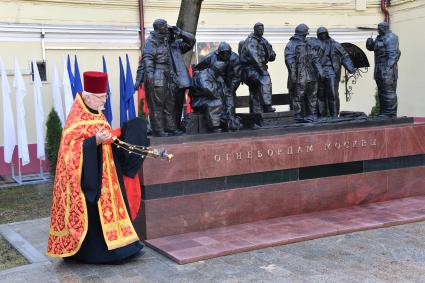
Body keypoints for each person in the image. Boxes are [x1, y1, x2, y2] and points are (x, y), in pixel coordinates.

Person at [47, 71, 147, 264]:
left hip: (108, 176)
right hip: (89, 182)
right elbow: (70, 153)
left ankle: (124, 247)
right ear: (87, 96)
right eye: (100, 98)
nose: (104, 101)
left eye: (105, 97)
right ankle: (94, 253)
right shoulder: (76, 120)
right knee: (94, 217)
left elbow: (106, 139)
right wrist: (94, 141)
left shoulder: (98, 115)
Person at [135, 18, 195, 136]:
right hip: (157, 75)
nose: (167, 28)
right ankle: (158, 130)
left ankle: (171, 128)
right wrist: (150, 79)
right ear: (159, 28)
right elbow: (148, 61)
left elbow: (191, 42)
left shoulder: (170, 43)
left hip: (169, 76)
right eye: (165, 26)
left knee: (169, 104)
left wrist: (181, 33)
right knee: (157, 104)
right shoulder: (151, 42)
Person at [193, 42, 242, 130]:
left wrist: (230, 90)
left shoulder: (235, 59)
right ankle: (219, 124)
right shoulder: (210, 58)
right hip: (212, 82)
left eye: (228, 53)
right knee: (218, 101)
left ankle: (230, 120)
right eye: (223, 53)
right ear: (218, 53)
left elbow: (237, 77)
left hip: (227, 81)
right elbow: (198, 69)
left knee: (229, 98)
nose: (225, 55)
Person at [314, 27, 355, 118]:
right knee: (320, 94)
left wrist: (350, 68)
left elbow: (344, 56)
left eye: (324, 33)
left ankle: (334, 115)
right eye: (320, 34)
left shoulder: (335, 44)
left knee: (333, 93)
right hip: (318, 72)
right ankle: (322, 116)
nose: (323, 35)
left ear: (327, 33)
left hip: (331, 71)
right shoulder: (315, 45)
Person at [285, 24, 323, 122]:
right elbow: (289, 61)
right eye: (306, 32)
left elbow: (315, 58)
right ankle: (297, 116)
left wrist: (320, 71)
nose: (307, 34)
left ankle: (312, 115)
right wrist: (293, 75)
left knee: (312, 95)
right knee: (298, 96)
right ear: (304, 33)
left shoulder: (308, 44)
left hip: (310, 74)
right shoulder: (291, 44)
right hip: (299, 74)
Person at [239, 22, 276, 114]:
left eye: (262, 29)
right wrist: (261, 69)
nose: (261, 31)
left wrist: (271, 55)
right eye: (259, 29)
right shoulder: (251, 41)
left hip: (260, 68)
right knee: (265, 81)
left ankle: (256, 112)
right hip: (251, 69)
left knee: (256, 91)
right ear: (255, 30)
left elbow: (271, 53)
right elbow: (254, 57)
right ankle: (267, 107)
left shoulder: (263, 40)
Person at [366, 21, 401, 117]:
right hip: (379, 67)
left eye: (379, 28)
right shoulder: (379, 37)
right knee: (381, 91)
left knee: (388, 91)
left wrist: (387, 68)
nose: (378, 30)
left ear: (385, 28)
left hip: (387, 68)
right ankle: (383, 112)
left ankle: (390, 113)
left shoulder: (391, 37)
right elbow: (374, 48)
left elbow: (393, 55)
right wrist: (369, 44)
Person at [190, 61, 229, 132]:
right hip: (198, 101)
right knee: (216, 102)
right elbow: (207, 89)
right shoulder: (203, 75)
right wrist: (219, 96)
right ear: (217, 70)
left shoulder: (216, 76)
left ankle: (225, 122)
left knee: (222, 101)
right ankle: (214, 126)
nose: (221, 73)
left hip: (209, 98)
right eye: (221, 71)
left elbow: (224, 89)